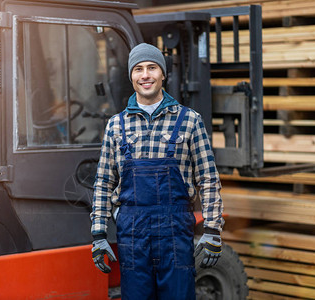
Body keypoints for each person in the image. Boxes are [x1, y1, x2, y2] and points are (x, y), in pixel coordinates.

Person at [90, 43, 224, 300]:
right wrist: (98, 233)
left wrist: (212, 230)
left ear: (163, 74)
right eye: (138, 69)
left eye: (152, 67)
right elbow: (104, 181)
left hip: (175, 233)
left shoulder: (189, 121)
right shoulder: (116, 126)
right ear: (131, 76)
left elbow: (208, 178)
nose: (145, 75)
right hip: (133, 235)